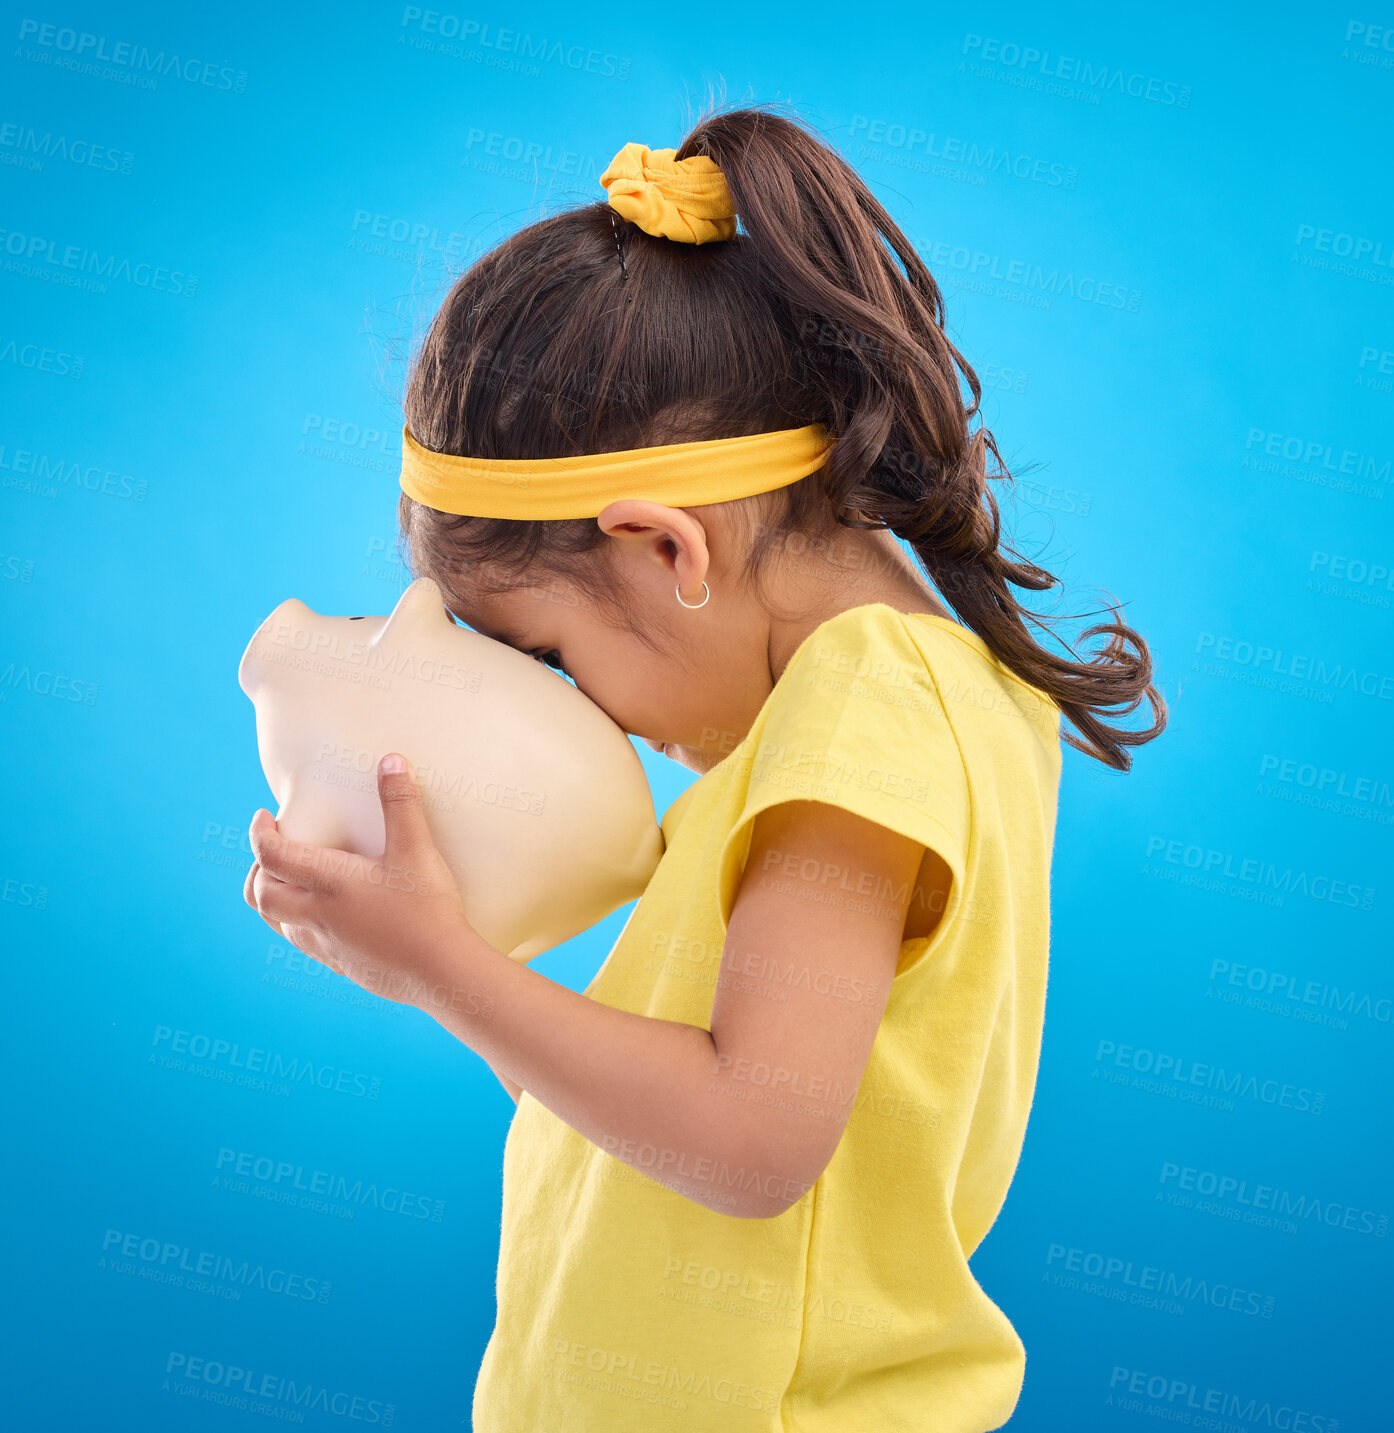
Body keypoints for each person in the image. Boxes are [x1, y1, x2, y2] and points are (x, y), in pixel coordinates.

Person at [247, 100, 1166, 1432]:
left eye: (552, 654)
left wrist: (446, 966)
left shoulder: (872, 706)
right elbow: (660, 1112)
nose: (591, 719)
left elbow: (750, 1142)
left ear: (666, 547)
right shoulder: (849, 717)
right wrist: (439, 962)